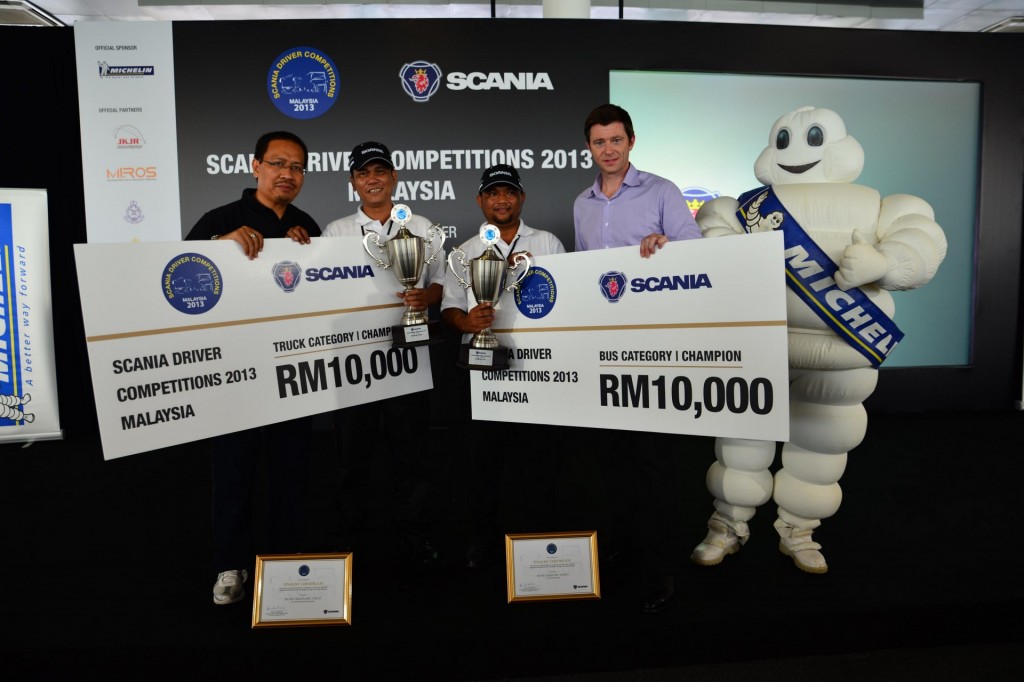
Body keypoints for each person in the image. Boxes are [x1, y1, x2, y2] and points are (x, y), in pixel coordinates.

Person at [691, 106, 947, 574]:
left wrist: (886, 262)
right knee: (740, 439)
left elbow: (920, 237)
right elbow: (711, 233)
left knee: (823, 442)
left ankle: (799, 528)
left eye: (812, 137)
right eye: (784, 140)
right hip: (759, 347)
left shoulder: (877, 205)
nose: (798, 149)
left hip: (842, 354)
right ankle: (728, 523)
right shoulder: (748, 207)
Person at [571, 103, 702, 613]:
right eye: (599, 142)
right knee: (613, 460)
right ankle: (623, 547)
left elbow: (695, 257)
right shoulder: (582, 203)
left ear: (631, 142)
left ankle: (660, 564)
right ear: (589, 147)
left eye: (616, 140)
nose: (608, 149)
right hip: (604, 347)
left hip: (652, 344)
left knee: (654, 462)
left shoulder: (662, 191)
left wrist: (665, 243)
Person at [186, 130, 320, 605]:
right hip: (235, 370)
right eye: (279, 163)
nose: (288, 173)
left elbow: (321, 296)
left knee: (292, 472)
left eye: (297, 167)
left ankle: (286, 569)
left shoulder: (307, 225)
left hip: (291, 372)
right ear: (255, 166)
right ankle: (229, 565)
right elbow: (177, 279)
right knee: (234, 472)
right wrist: (218, 245)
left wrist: (313, 256)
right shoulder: (219, 220)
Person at [321, 140, 442, 569]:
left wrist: (422, 297)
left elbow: (441, 285)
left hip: (407, 354)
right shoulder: (335, 232)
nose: (372, 179)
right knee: (351, 458)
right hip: (356, 361)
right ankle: (348, 539)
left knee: (410, 455)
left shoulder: (423, 225)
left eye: (380, 171)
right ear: (353, 182)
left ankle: (414, 535)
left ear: (394, 177)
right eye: (363, 173)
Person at [441, 164, 566, 569]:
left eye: (508, 192)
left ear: (521, 198)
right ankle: (484, 541)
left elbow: (570, 299)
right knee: (483, 463)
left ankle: (541, 544)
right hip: (483, 371)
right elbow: (449, 309)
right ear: (480, 201)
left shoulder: (546, 242)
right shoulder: (464, 252)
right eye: (493, 193)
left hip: (537, 369)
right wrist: (466, 322)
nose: (501, 200)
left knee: (540, 461)